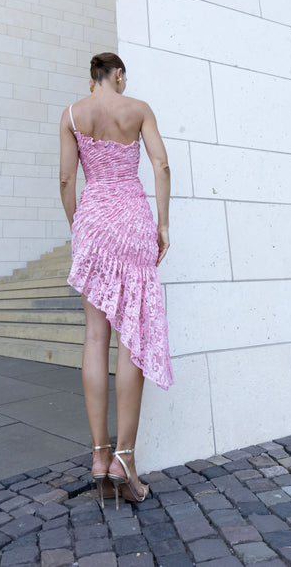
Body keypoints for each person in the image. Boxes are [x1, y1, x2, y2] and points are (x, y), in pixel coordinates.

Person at [59, 52, 173, 509]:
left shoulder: (72, 114)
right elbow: (161, 166)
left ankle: (100, 456)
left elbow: (67, 178)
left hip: (93, 219)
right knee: (131, 338)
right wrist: (163, 224)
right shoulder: (138, 109)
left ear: (93, 79)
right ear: (118, 75)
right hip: (131, 218)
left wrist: (79, 227)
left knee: (93, 337)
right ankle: (125, 458)